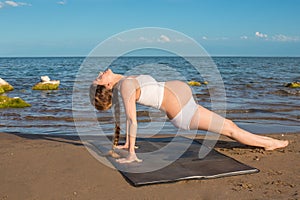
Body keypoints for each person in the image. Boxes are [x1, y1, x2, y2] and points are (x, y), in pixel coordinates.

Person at [89, 69, 289, 163]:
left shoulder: (124, 80)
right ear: (106, 85)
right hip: (184, 113)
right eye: (99, 78)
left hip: (188, 105)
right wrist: (131, 152)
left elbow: (118, 110)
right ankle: (268, 143)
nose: (100, 72)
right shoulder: (124, 86)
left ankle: (266, 141)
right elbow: (132, 119)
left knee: (229, 124)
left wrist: (121, 142)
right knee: (228, 128)